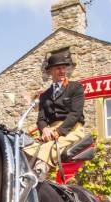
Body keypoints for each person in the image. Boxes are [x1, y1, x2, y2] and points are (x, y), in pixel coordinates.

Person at [25, 50, 85, 180]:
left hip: (73, 129)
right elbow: (41, 119)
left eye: (64, 68)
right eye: (58, 68)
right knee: (28, 149)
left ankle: (36, 177)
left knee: (47, 148)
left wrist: (59, 131)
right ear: (50, 71)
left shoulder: (76, 88)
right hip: (51, 131)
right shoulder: (45, 95)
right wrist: (44, 129)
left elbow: (75, 114)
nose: (62, 71)